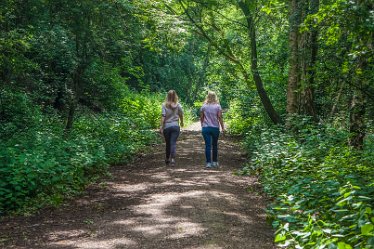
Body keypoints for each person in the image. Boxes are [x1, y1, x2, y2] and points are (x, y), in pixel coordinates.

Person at [200, 91, 225, 168]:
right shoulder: (218, 106)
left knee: (207, 145)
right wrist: (223, 127)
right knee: (214, 145)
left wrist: (202, 126)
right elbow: (220, 117)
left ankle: (208, 163)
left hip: (206, 128)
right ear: (215, 97)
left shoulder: (203, 106)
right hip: (215, 128)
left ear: (207, 96)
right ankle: (214, 162)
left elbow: (201, 117)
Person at [160, 90, 184, 165]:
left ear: (167, 96)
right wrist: (182, 122)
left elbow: (163, 117)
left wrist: (161, 126)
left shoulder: (164, 105)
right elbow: (181, 115)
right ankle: (173, 159)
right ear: (175, 96)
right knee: (173, 142)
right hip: (175, 126)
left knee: (168, 143)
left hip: (167, 127)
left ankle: (167, 158)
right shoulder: (178, 105)